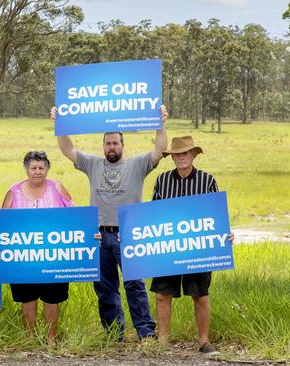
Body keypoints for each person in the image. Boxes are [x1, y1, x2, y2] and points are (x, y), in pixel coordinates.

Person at [51, 105, 169, 341]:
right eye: (108, 143)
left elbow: (159, 149)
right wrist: (60, 123)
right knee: (105, 288)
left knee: (135, 285)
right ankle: (115, 334)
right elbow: (67, 149)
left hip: (127, 234)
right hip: (99, 236)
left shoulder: (137, 164)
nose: (111, 147)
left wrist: (160, 122)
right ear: (103, 146)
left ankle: (146, 333)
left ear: (122, 145)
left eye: (115, 143)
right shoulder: (93, 164)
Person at [149, 135, 234, 356]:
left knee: (200, 295)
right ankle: (162, 341)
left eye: (185, 153)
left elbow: (216, 216)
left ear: (194, 155)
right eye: (177, 154)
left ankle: (204, 341)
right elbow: (152, 215)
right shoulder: (162, 180)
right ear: (172, 157)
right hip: (168, 248)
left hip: (198, 248)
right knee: (161, 294)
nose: (181, 157)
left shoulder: (207, 180)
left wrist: (225, 234)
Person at [0, 151, 73, 346]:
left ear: (47, 168)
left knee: (51, 298)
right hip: (22, 257)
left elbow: (75, 219)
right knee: (28, 298)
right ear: (26, 169)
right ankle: (30, 339)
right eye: (34, 168)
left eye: (41, 168)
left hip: (54, 256)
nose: (38, 172)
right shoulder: (13, 192)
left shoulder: (57, 188)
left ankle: (50, 338)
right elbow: (1, 223)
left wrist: (90, 234)